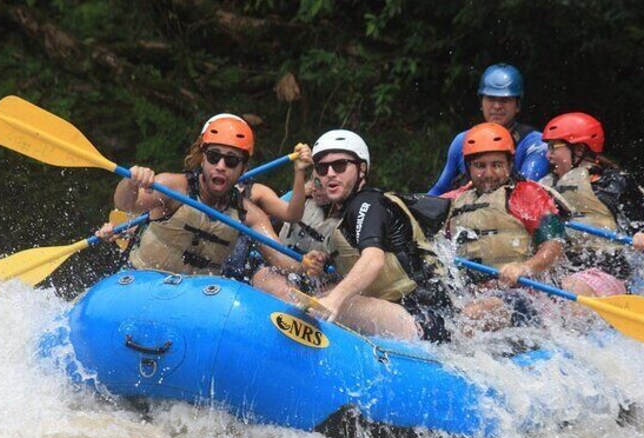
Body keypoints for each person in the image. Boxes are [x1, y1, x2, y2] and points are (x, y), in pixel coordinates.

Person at [260, 129, 454, 343]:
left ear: (362, 169)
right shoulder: (347, 213)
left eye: (340, 166)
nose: (331, 174)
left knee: (320, 303)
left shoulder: (367, 203)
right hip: (411, 312)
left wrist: (334, 300)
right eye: (322, 169)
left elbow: (373, 259)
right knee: (310, 292)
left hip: (423, 318)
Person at [97, 114, 315, 278]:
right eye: (214, 157)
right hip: (141, 279)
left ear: (243, 168)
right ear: (202, 159)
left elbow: (279, 258)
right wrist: (131, 181)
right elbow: (126, 204)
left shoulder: (249, 214)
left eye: (231, 161)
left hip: (195, 300)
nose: (221, 166)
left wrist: (304, 265)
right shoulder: (173, 187)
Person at [445, 122, 566, 329]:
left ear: (509, 165)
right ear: (468, 167)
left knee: (470, 316)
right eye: (480, 166)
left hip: (522, 297)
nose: (489, 174)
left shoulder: (525, 194)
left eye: (497, 165)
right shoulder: (455, 200)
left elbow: (554, 243)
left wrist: (525, 267)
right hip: (471, 294)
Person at [539, 112, 644, 297]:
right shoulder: (547, 186)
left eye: (553, 147)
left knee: (569, 289)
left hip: (608, 270)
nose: (548, 155)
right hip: (567, 270)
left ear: (579, 149)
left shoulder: (613, 183)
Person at [427, 63, 548, 197]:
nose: (497, 106)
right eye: (491, 98)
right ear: (481, 103)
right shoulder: (462, 141)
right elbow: (438, 191)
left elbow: (527, 192)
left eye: (505, 100)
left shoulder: (536, 144)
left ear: (517, 105)